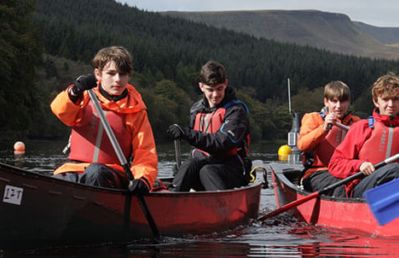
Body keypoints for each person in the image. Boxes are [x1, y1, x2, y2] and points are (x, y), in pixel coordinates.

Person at [51, 46, 158, 193]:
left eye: (123, 74)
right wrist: (74, 91)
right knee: (59, 180)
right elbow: (60, 111)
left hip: (112, 174)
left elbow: (145, 152)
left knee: (95, 172)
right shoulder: (84, 96)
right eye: (111, 74)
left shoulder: (136, 112)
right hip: (74, 168)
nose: (118, 80)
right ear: (98, 74)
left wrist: (143, 178)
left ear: (129, 76)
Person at [167, 61, 251, 191]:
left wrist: (186, 133)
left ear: (226, 84)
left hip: (232, 168)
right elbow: (197, 147)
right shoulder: (196, 109)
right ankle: (170, 203)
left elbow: (221, 142)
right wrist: (182, 172)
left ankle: (221, 208)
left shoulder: (236, 111)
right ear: (201, 87)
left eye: (219, 89)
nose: (215, 94)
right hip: (205, 164)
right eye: (210, 90)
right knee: (189, 165)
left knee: (208, 171)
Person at [296, 80, 362, 192]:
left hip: (347, 172)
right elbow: (302, 145)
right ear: (326, 102)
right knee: (341, 185)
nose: (338, 106)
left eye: (343, 101)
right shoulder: (313, 118)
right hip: (317, 173)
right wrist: (324, 128)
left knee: (360, 183)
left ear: (349, 101)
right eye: (334, 101)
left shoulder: (357, 122)